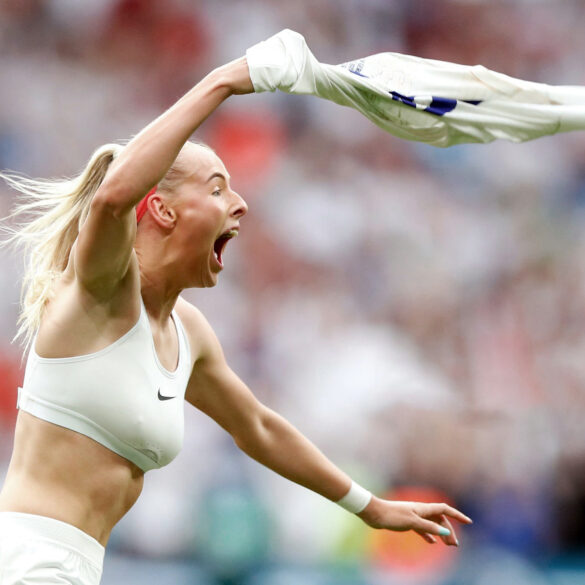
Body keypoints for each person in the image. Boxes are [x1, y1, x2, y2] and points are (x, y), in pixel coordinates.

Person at [0, 50, 471, 585]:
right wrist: (225, 81)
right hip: (26, 560)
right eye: (217, 187)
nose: (241, 204)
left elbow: (259, 428)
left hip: (77, 569)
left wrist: (370, 508)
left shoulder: (188, 332)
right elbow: (111, 201)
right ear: (160, 208)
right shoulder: (102, 291)